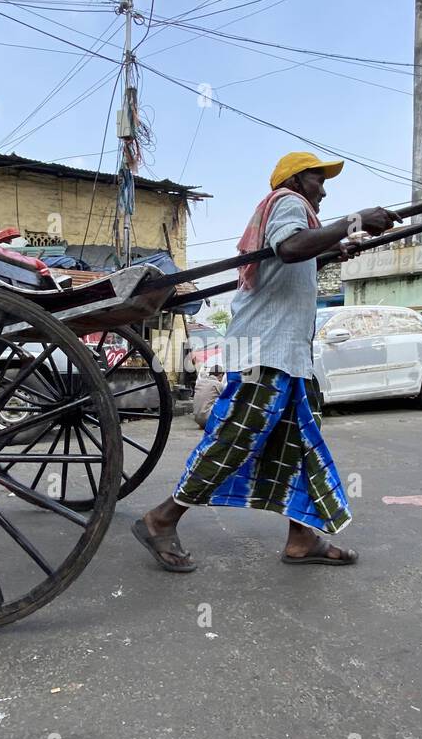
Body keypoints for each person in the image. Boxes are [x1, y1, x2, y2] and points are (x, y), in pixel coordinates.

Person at [131, 152, 399, 572]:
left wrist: (335, 247)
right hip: (265, 353)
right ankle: (161, 518)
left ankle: (301, 538)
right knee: (237, 436)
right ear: (296, 180)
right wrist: (355, 219)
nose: (324, 190)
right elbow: (290, 249)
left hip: (288, 356)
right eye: (318, 179)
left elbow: (291, 260)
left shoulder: (298, 217)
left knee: (299, 443)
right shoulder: (288, 204)